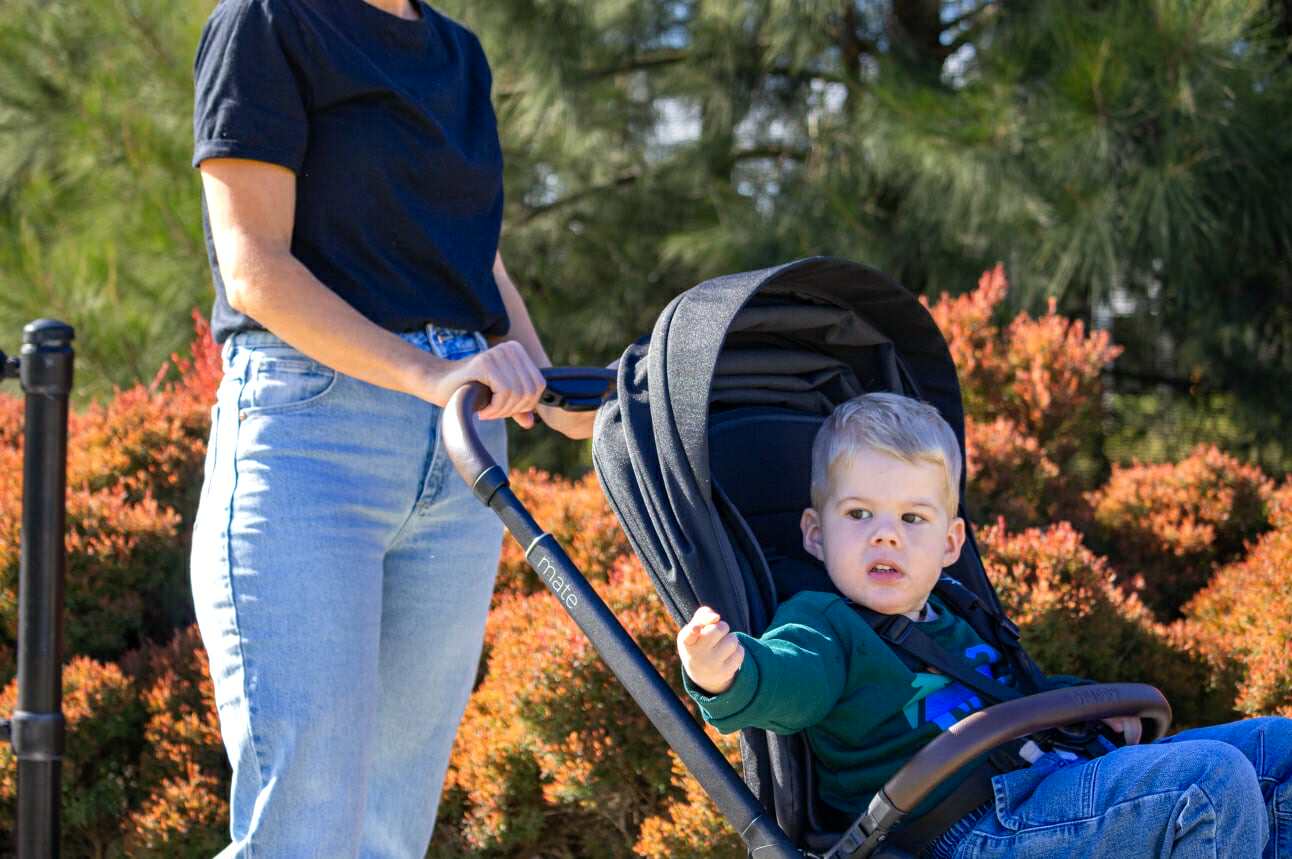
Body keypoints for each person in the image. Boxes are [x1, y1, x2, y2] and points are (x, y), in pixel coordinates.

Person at [189, 0, 594, 855]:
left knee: (386, 831)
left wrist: (549, 385)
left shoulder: (458, 55)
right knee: (300, 826)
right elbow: (254, 267)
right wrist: (429, 375)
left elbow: (475, 257)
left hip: (460, 454)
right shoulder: (268, 22)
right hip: (312, 441)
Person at [677, 392, 1291, 858]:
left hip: (1045, 783)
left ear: (949, 542)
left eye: (912, 518)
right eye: (859, 513)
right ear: (816, 532)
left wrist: (1090, 710)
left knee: (1280, 750)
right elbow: (788, 681)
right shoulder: (822, 623)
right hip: (967, 828)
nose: (885, 533)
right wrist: (725, 673)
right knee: (1210, 782)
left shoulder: (955, 610)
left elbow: (1018, 692)